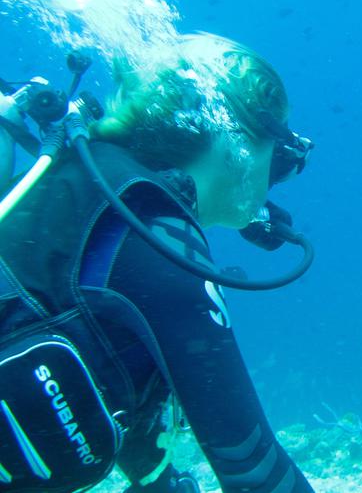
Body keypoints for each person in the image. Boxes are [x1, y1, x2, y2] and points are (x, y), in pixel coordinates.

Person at [0, 33, 316, 492]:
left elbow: (106, 356)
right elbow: (252, 465)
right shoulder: (162, 242)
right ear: (236, 142)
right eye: (281, 158)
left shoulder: (88, 183)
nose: (276, 177)